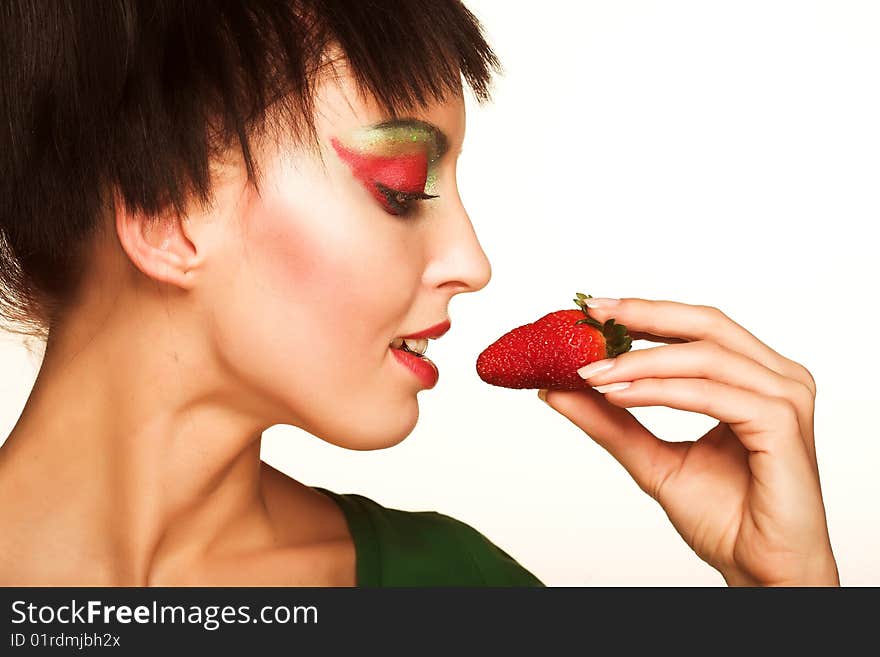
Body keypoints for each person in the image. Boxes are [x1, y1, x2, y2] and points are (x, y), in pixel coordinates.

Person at [0, 0, 838, 587]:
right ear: (164, 209)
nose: (473, 261)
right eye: (401, 188)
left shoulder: (457, 591)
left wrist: (788, 598)